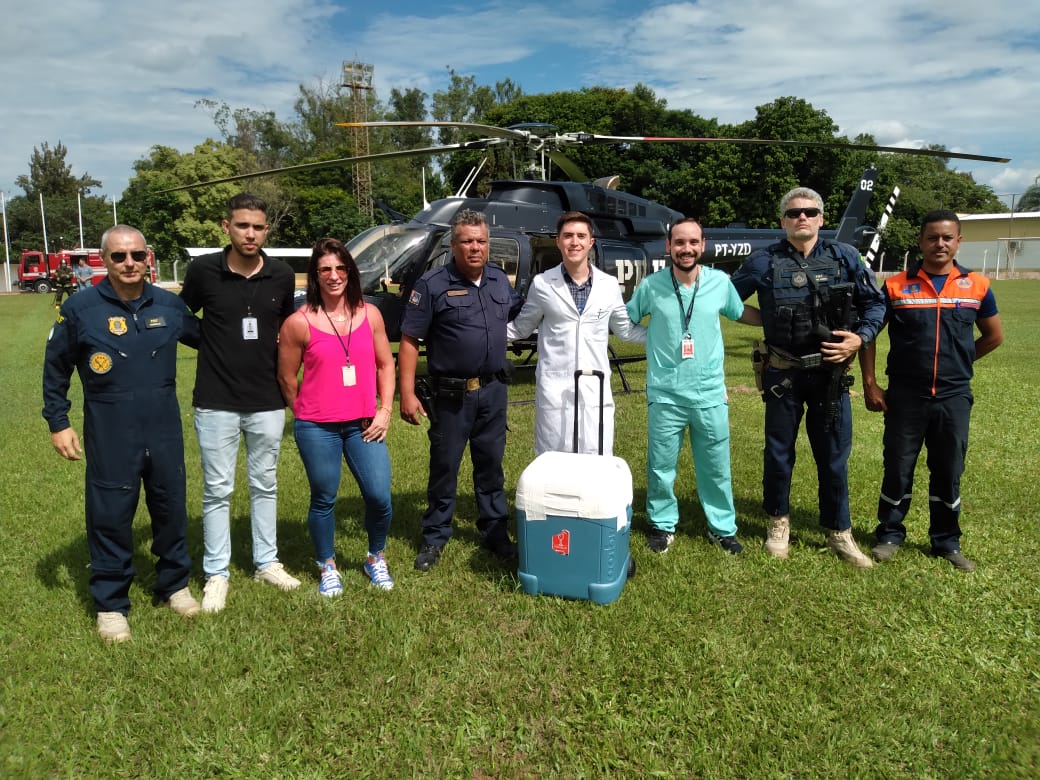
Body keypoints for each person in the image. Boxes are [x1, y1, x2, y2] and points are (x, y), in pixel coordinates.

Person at [43, 225, 202, 642]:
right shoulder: (80, 308)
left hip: (163, 424)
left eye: (136, 255)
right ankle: (112, 604)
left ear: (148, 257)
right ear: (104, 260)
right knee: (110, 514)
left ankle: (174, 585)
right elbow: (55, 368)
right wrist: (58, 422)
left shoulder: (169, 306)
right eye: (119, 256)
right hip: (111, 427)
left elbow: (213, 342)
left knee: (170, 507)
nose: (129, 263)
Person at [730, 186, 885, 567]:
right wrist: (766, 321)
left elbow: (876, 304)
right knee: (779, 455)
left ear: (821, 218)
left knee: (833, 457)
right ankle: (778, 523)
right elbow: (728, 302)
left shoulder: (845, 257)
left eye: (810, 212)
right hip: (783, 373)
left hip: (830, 376)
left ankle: (839, 531)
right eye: (795, 212)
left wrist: (858, 338)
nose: (803, 217)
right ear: (783, 220)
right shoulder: (762, 262)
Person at [860, 210, 1003, 571]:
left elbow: (994, 336)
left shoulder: (978, 286)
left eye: (947, 238)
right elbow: (868, 335)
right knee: (898, 467)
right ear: (921, 241)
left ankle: (946, 541)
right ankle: (889, 535)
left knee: (948, 468)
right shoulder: (895, 286)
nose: (940, 244)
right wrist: (871, 383)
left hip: (954, 397)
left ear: (958, 242)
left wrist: (961, 362)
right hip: (906, 396)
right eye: (932, 237)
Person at [180, 193, 300, 613]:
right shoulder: (202, 271)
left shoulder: (283, 275)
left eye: (258, 227)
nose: (250, 234)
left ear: (267, 230)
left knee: (264, 484)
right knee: (217, 489)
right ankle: (217, 573)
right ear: (226, 227)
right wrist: (210, 342)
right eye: (242, 225)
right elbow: (181, 318)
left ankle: (266, 562)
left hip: (267, 400)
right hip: (215, 400)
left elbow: (288, 329)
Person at [399, 208, 523, 572]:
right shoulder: (433, 284)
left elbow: (522, 316)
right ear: (454, 245)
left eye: (481, 241)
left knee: (491, 466)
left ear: (489, 244)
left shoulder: (500, 281)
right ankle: (435, 535)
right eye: (467, 241)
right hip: (451, 395)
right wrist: (407, 393)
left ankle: (494, 530)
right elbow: (409, 340)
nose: (475, 248)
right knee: (444, 467)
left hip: (494, 391)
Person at [627, 218, 760, 554]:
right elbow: (624, 319)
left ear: (703, 245)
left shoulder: (719, 282)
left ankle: (722, 528)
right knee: (661, 465)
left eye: (693, 242)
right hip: (666, 393)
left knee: (716, 466)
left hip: (710, 393)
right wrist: (651, 338)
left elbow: (739, 312)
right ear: (669, 246)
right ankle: (661, 524)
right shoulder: (652, 286)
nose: (686, 249)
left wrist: (778, 319)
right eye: (679, 243)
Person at [278, 238, 396, 595]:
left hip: (363, 424)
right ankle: (326, 563)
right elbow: (286, 377)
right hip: (317, 427)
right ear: (315, 274)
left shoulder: (370, 314)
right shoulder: (298, 323)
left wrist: (385, 409)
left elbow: (385, 363)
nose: (334, 276)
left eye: (340, 268)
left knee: (379, 496)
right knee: (324, 497)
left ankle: (376, 557)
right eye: (325, 269)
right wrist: (304, 413)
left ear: (350, 272)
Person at [506, 211, 646, 455]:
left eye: (581, 236)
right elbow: (520, 328)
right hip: (555, 388)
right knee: (554, 460)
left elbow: (625, 331)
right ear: (558, 241)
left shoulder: (608, 285)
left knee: (596, 456)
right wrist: (475, 334)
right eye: (568, 236)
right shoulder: (542, 284)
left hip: (595, 387)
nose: (574, 242)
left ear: (591, 242)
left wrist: (667, 336)